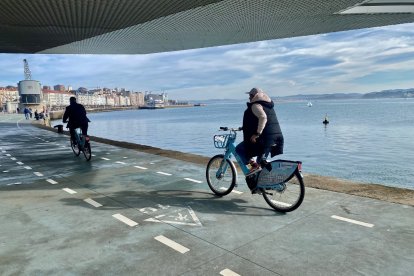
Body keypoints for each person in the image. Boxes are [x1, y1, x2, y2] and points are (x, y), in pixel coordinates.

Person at [236, 88, 284, 177]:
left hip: (264, 138)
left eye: (250, 95)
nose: (249, 98)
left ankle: (253, 165)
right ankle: (264, 183)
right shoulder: (267, 105)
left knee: (239, 149)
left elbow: (263, 118)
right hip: (274, 137)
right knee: (261, 162)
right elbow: (255, 121)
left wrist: (257, 134)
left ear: (255, 96)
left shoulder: (256, 105)